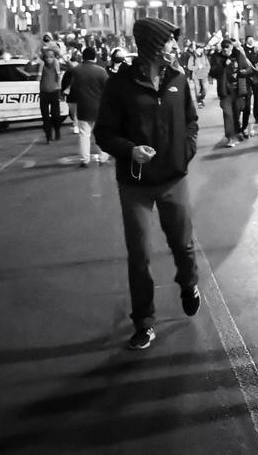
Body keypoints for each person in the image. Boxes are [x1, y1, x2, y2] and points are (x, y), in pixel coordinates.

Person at [92, 18, 202, 351]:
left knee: (182, 244)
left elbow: (191, 122)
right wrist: (130, 151)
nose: (175, 47)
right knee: (139, 254)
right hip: (135, 184)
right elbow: (104, 133)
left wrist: (185, 153)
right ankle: (144, 321)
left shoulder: (178, 79)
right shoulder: (120, 84)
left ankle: (189, 284)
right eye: (169, 41)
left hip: (173, 178)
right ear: (153, 45)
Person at [66, 46, 110, 167]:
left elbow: (72, 89)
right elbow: (109, 89)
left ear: (83, 57)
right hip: (99, 108)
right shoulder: (101, 71)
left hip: (83, 107)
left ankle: (84, 160)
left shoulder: (77, 71)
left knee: (84, 134)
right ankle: (103, 158)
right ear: (94, 57)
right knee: (101, 134)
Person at [211, 39, 252, 148]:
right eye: (223, 48)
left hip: (238, 90)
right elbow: (213, 72)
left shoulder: (238, 55)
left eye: (227, 47)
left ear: (231, 47)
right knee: (227, 114)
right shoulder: (217, 57)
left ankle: (238, 131)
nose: (225, 50)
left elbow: (248, 69)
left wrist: (243, 72)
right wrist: (223, 64)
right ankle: (230, 137)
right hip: (225, 91)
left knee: (236, 112)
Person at [35, 41, 66, 143]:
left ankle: (57, 130)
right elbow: (38, 78)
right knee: (45, 117)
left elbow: (58, 78)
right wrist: (39, 67)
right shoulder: (42, 65)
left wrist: (60, 91)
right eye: (47, 57)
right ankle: (48, 136)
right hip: (44, 93)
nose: (49, 59)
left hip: (54, 92)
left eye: (51, 57)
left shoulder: (56, 64)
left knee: (55, 115)